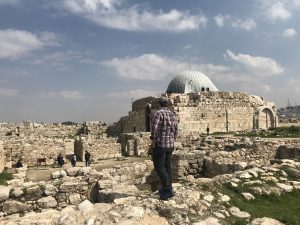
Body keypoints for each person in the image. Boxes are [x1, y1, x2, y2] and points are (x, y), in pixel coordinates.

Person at [150, 96, 178, 200]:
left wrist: (153, 139)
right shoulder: (172, 114)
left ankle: (168, 189)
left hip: (160, 145)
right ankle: (167, 188)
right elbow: (176, 130)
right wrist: (172, 139)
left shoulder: (158, 113)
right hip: (170, 145)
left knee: (159, 167)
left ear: (159, 104)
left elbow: (154, 128)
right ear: (167, 104)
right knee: (167, 167)